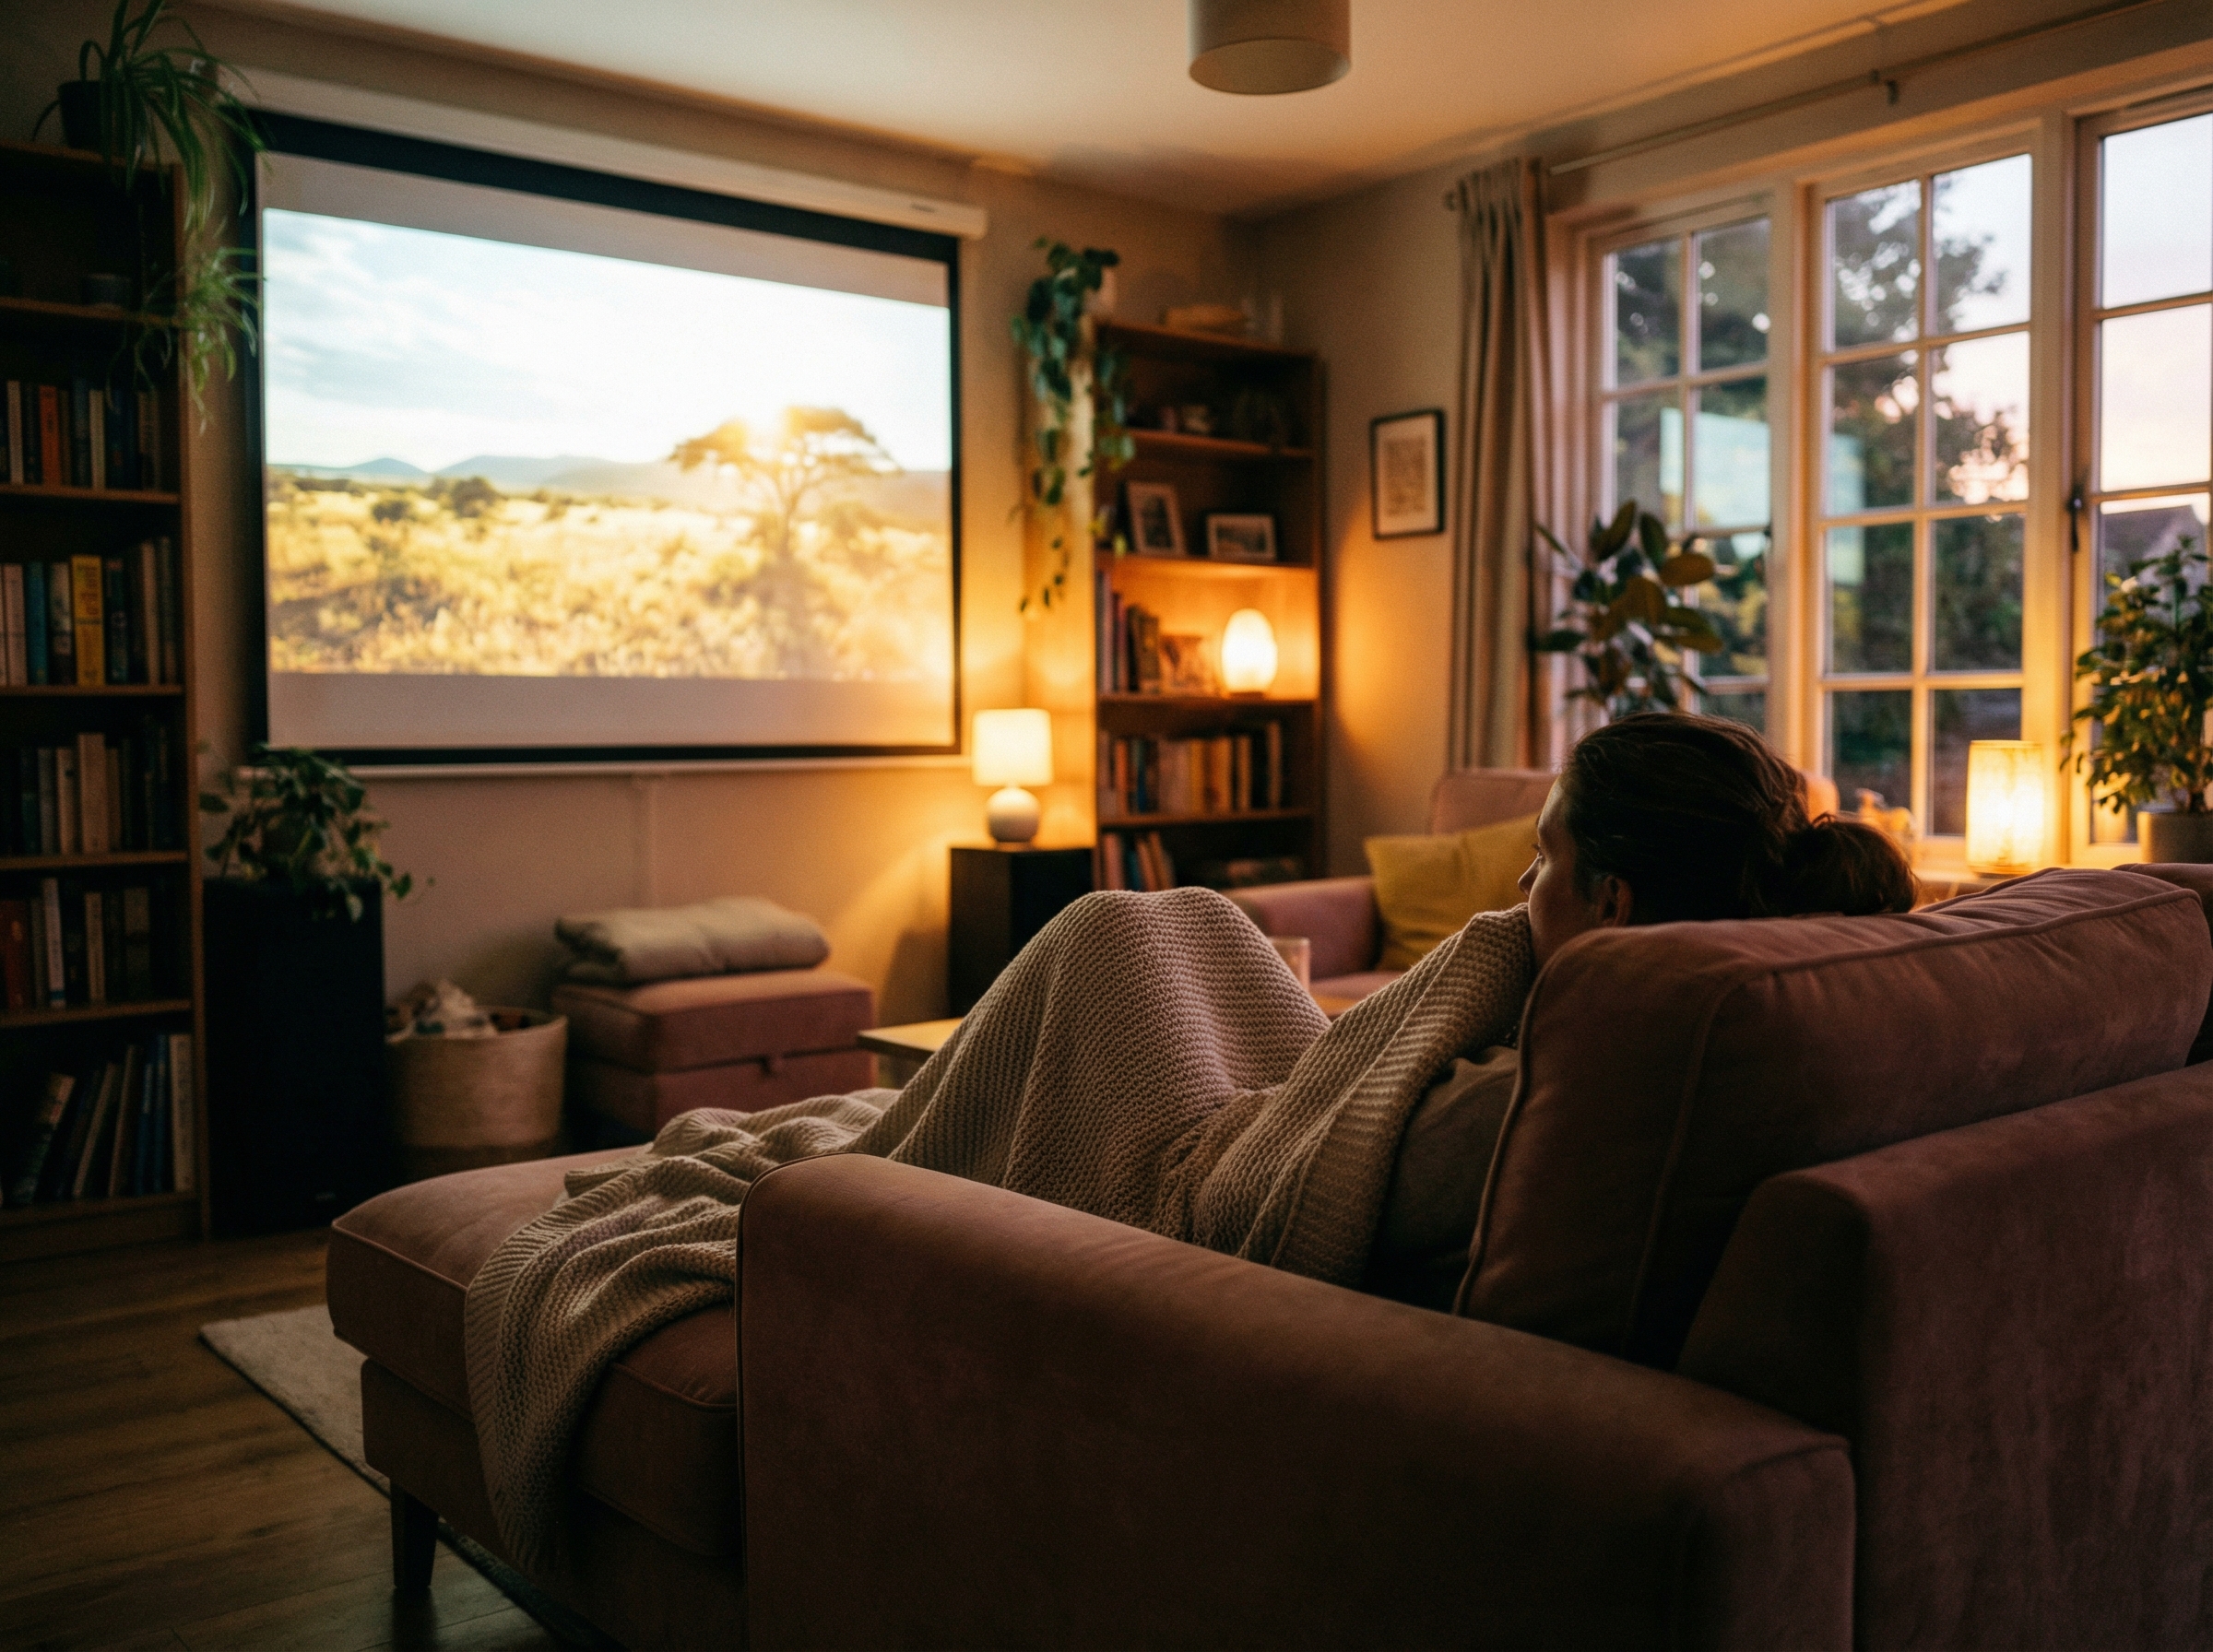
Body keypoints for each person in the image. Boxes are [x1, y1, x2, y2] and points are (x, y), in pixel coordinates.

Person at [1369, 711, 1915, 1305]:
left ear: (1611, 904)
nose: (1526, 884)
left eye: (1544, 855)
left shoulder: (1523, 1102)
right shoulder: (1813, 1040)